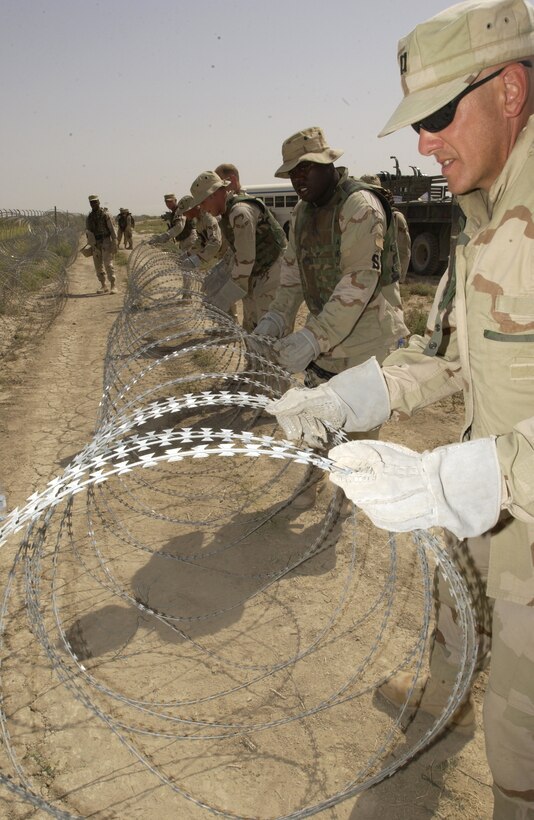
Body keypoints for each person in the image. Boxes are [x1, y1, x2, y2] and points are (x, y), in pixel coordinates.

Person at [267, 2, 534, 817]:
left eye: (439, 115)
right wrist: (354, 395)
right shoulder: (484, 212)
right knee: (455, 595)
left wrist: (470, 475)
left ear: (511, 90)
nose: (421, 142)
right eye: (417, 123)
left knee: (519, 722)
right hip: (494, 493)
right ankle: (440, 685)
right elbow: (448, 349)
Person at [254, 127, 408, 383]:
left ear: (328, 164)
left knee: (355, 422)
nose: (297, 180)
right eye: (292, 173)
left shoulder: (360, 206)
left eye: (304, 169)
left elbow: (358, 282)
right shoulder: (302, 212)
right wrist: (276, 318)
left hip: (366, 341)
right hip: (327, 341)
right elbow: (293, 276)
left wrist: (311, 338)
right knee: (318, 420)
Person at [189, 170, 287, 331]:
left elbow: (245, 260)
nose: (203, 209)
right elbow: (236, 251)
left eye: (203, 202)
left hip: (272, 273)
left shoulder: (239, 212)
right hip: (256, 273)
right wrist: (219, 271)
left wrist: (224, 297)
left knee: (267, 332)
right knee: (250, 327)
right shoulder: (228, 213)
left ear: (212, 195)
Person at [360, 174, 411, 283]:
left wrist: (398, 279)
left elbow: (403, 250)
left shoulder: (395, 217)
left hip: (386, 281)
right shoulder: (356, 215)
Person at [85, 195, 117, 294]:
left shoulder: (105, 215)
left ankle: (113, 285)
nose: (93, 204)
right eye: (91, 202)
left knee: (108, 264)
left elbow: (112, 229)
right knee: (98, 266)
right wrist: (91, 244)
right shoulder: (90, 217)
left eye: (95, 202)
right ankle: (103, 285)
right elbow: (88, 231)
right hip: (96, 243)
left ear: (99, 202)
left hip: (106, 241)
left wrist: (115, 241)